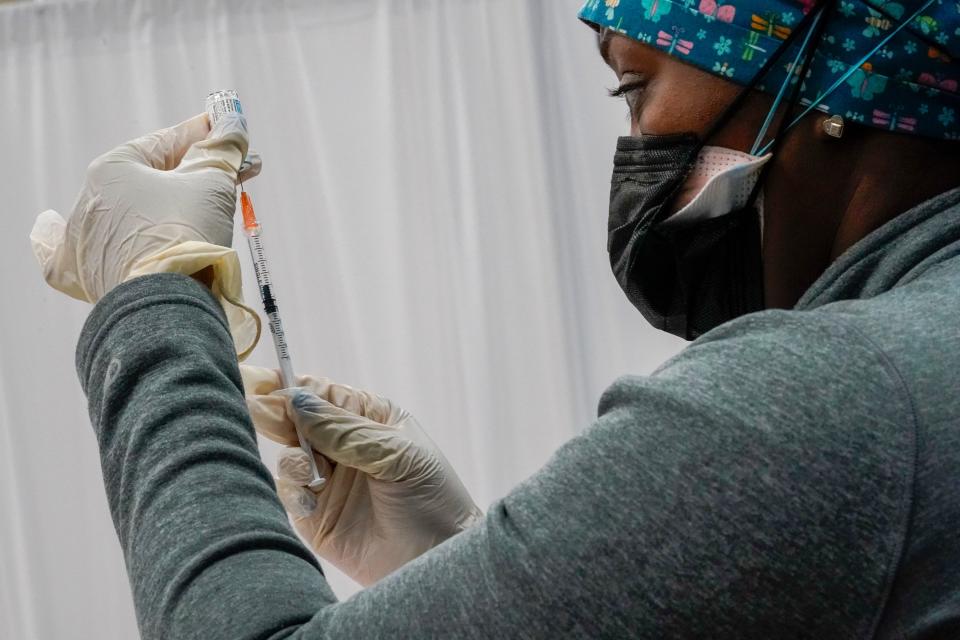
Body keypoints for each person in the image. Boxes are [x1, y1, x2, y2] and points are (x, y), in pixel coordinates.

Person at [29, 0, 960, 638]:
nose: (634, 146)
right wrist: (464, 567)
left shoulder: (823, 405)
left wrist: (151, 300)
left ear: (845, 80)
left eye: (633, 89)